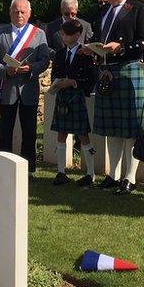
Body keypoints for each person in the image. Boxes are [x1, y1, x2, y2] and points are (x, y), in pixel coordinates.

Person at [86, 0, 144, 195]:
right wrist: (93, 49)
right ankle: (113, 175)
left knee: (131, 127)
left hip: (130, 70)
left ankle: (130, 177)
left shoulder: (138, 9)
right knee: (112, 128)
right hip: (107, 72)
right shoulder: (104, 10)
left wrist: (121, 48)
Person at [0, 0, 51, 176]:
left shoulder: (38, 34)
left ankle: (29, 170)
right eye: (16, 11)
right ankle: (2, 167)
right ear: (10, 12)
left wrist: (31, 68)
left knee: (29, 132)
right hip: (7, 90)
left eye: (23, 11)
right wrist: (6, 70)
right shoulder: (0, 34)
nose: (20, 14)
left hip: (29, 89)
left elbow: (45, 60)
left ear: (29, 13)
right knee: (4, 131)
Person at [50, 19, 98, 187]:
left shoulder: (86, 53)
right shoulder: (60, 53)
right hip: (62, 95)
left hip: (76, 96)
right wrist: (58, 82)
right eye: (62, 34)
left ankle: (90, 173)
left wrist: (73, 82)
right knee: (61, 133)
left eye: (67, 34)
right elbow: (54, 72)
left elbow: (91, 77)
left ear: (77, 35)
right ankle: (61, 172)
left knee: (83, 134)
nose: (64, 37)